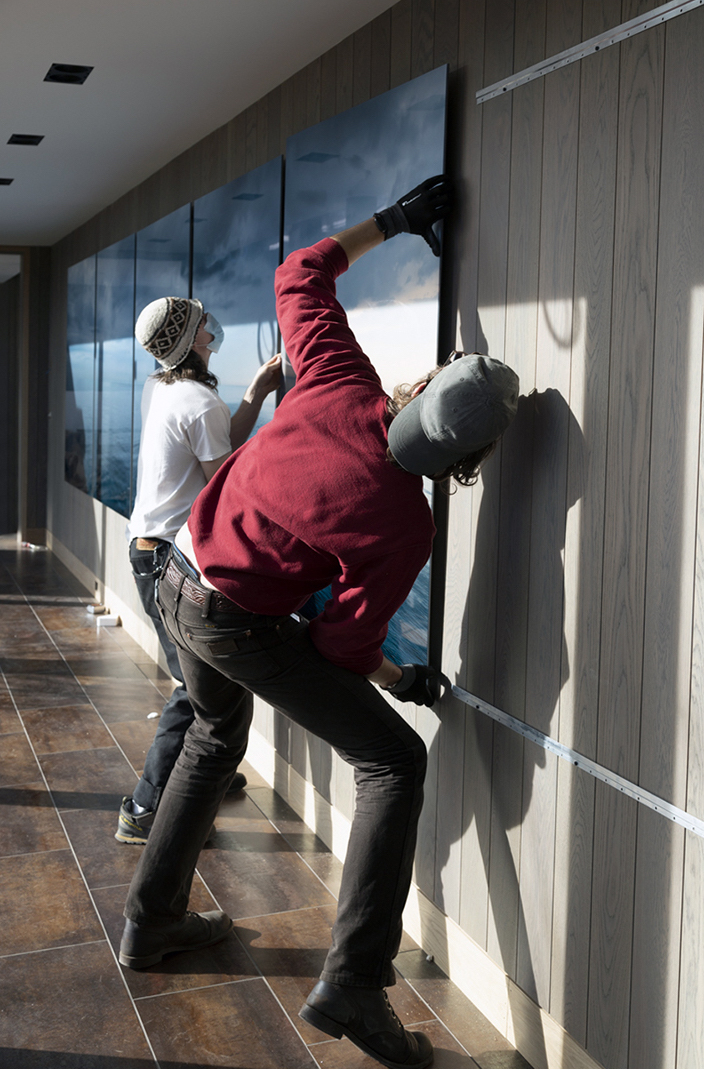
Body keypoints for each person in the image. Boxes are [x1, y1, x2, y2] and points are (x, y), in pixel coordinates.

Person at [117, 176, 519, 1070]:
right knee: (392, 759)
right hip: (230, 618)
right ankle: (354, 986)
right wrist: (403, 681)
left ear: (424, 382)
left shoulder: (340, 376)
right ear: (467, 462)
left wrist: (402, 218)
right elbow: (342, 644)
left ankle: (151, 923)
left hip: (178, 570)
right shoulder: (405, 521)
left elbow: (301, 273)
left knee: (214, 736)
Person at [116, 296, 281, 843]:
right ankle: (145, 809)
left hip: (147, 547)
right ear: (191, 340)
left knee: (199, 682)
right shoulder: (199, 400)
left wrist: (256, 393)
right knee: (195, 690)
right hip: (169, 557)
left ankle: (206, 772)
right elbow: (225, 481)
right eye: (202, 323)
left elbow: (220, 445)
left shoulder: (166, 388)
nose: (213, 328)